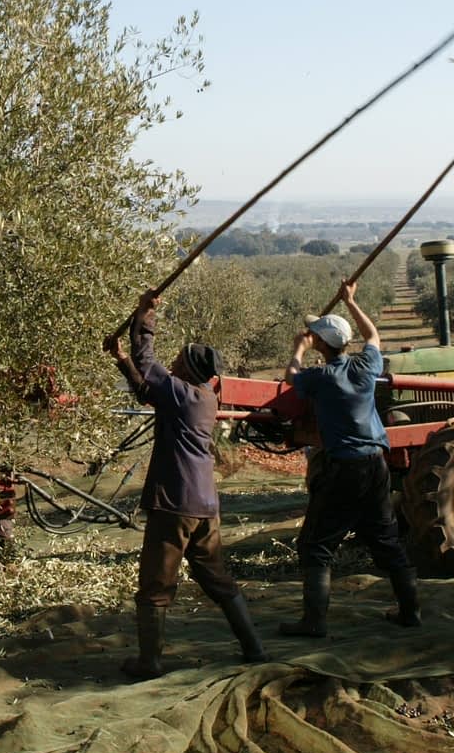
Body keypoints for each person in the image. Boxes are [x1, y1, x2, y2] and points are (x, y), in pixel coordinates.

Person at [104, 291, 265, 679]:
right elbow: (148, 389)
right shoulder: (202, 397)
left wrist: (146, 315)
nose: (172, 362)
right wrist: (121, 358)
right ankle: (253, 647)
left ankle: (150, 661)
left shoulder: (184, 394)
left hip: (174, 502)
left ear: (190, 369)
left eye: (179, 359)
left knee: (156, 585)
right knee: (217, 579)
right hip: (205, 504)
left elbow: (148, 361)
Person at [279, 280, 420, 636]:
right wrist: (351, 301)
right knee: (386, 541)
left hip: (343, 468)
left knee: (316, 544)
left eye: (316, 337)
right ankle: (411, 613)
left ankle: (314, 623)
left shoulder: (321, 378)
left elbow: (290, 376)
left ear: (322, 345)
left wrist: (298, 347)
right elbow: (373, 335)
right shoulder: (365, 366)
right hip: (376, 464)